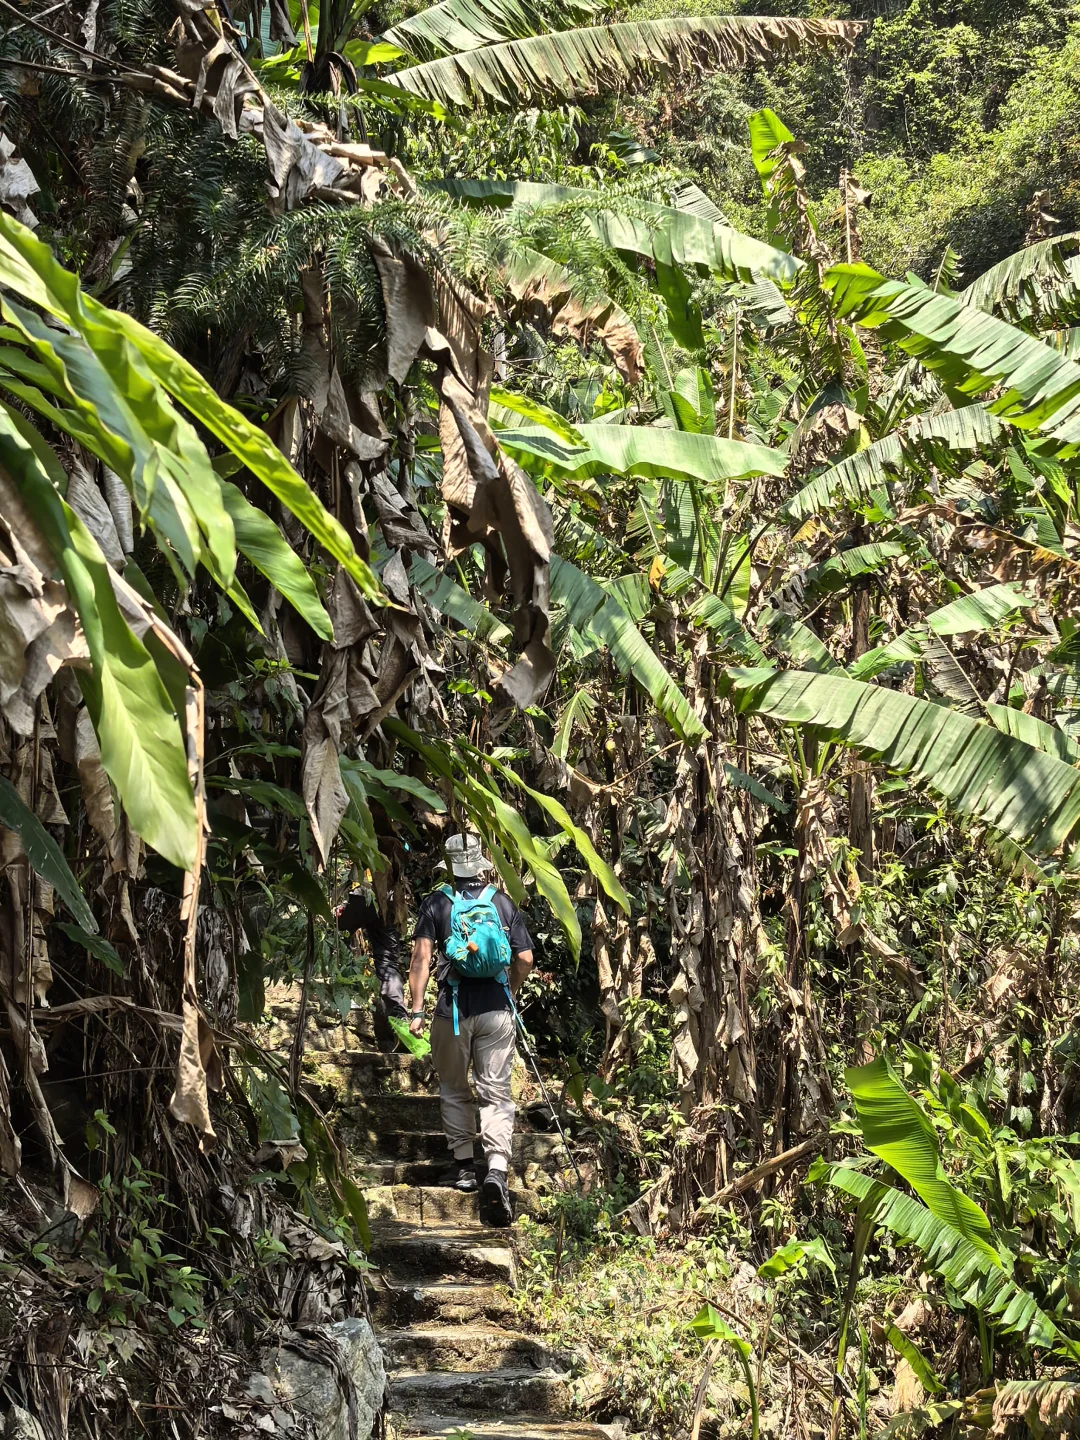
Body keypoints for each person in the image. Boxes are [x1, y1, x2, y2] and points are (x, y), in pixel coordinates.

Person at [408, 833, 534, 1227]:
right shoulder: (501, 901)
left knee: (454, 1089)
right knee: (495, 1092)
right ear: (480, 862)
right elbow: (526, 958)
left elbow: (421, 959)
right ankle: (496, 1169)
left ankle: (465, 1168)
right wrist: (508, 989)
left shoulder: (437, 902)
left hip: (452, 1011)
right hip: (497, 1009)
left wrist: (416, 1010)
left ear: (451, 864)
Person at [336, 886, 429, 1058]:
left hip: (362, 892)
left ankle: (347, 993)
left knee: (337, 932)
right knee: (387, 962)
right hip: (388, 894)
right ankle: (399, 1019)